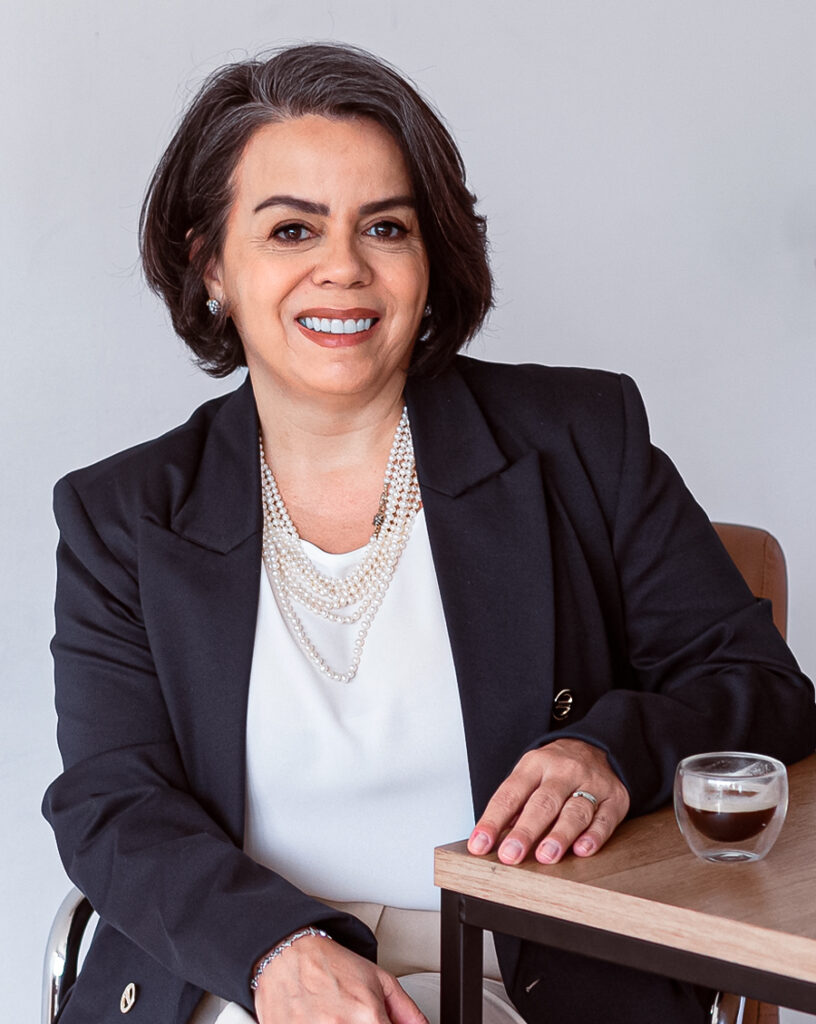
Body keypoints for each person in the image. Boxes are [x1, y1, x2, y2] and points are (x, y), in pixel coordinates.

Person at [43, 42, 815, 1024]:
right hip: (242, 970)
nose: (343, 269)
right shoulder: (122, 515)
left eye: (385, 227)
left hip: (523, 971)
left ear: (429, 258)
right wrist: (276, 953)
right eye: (291, 229)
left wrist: (610, 752)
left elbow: (763, 692)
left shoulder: (580, 440)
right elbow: (112, 801)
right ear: (210, 267)